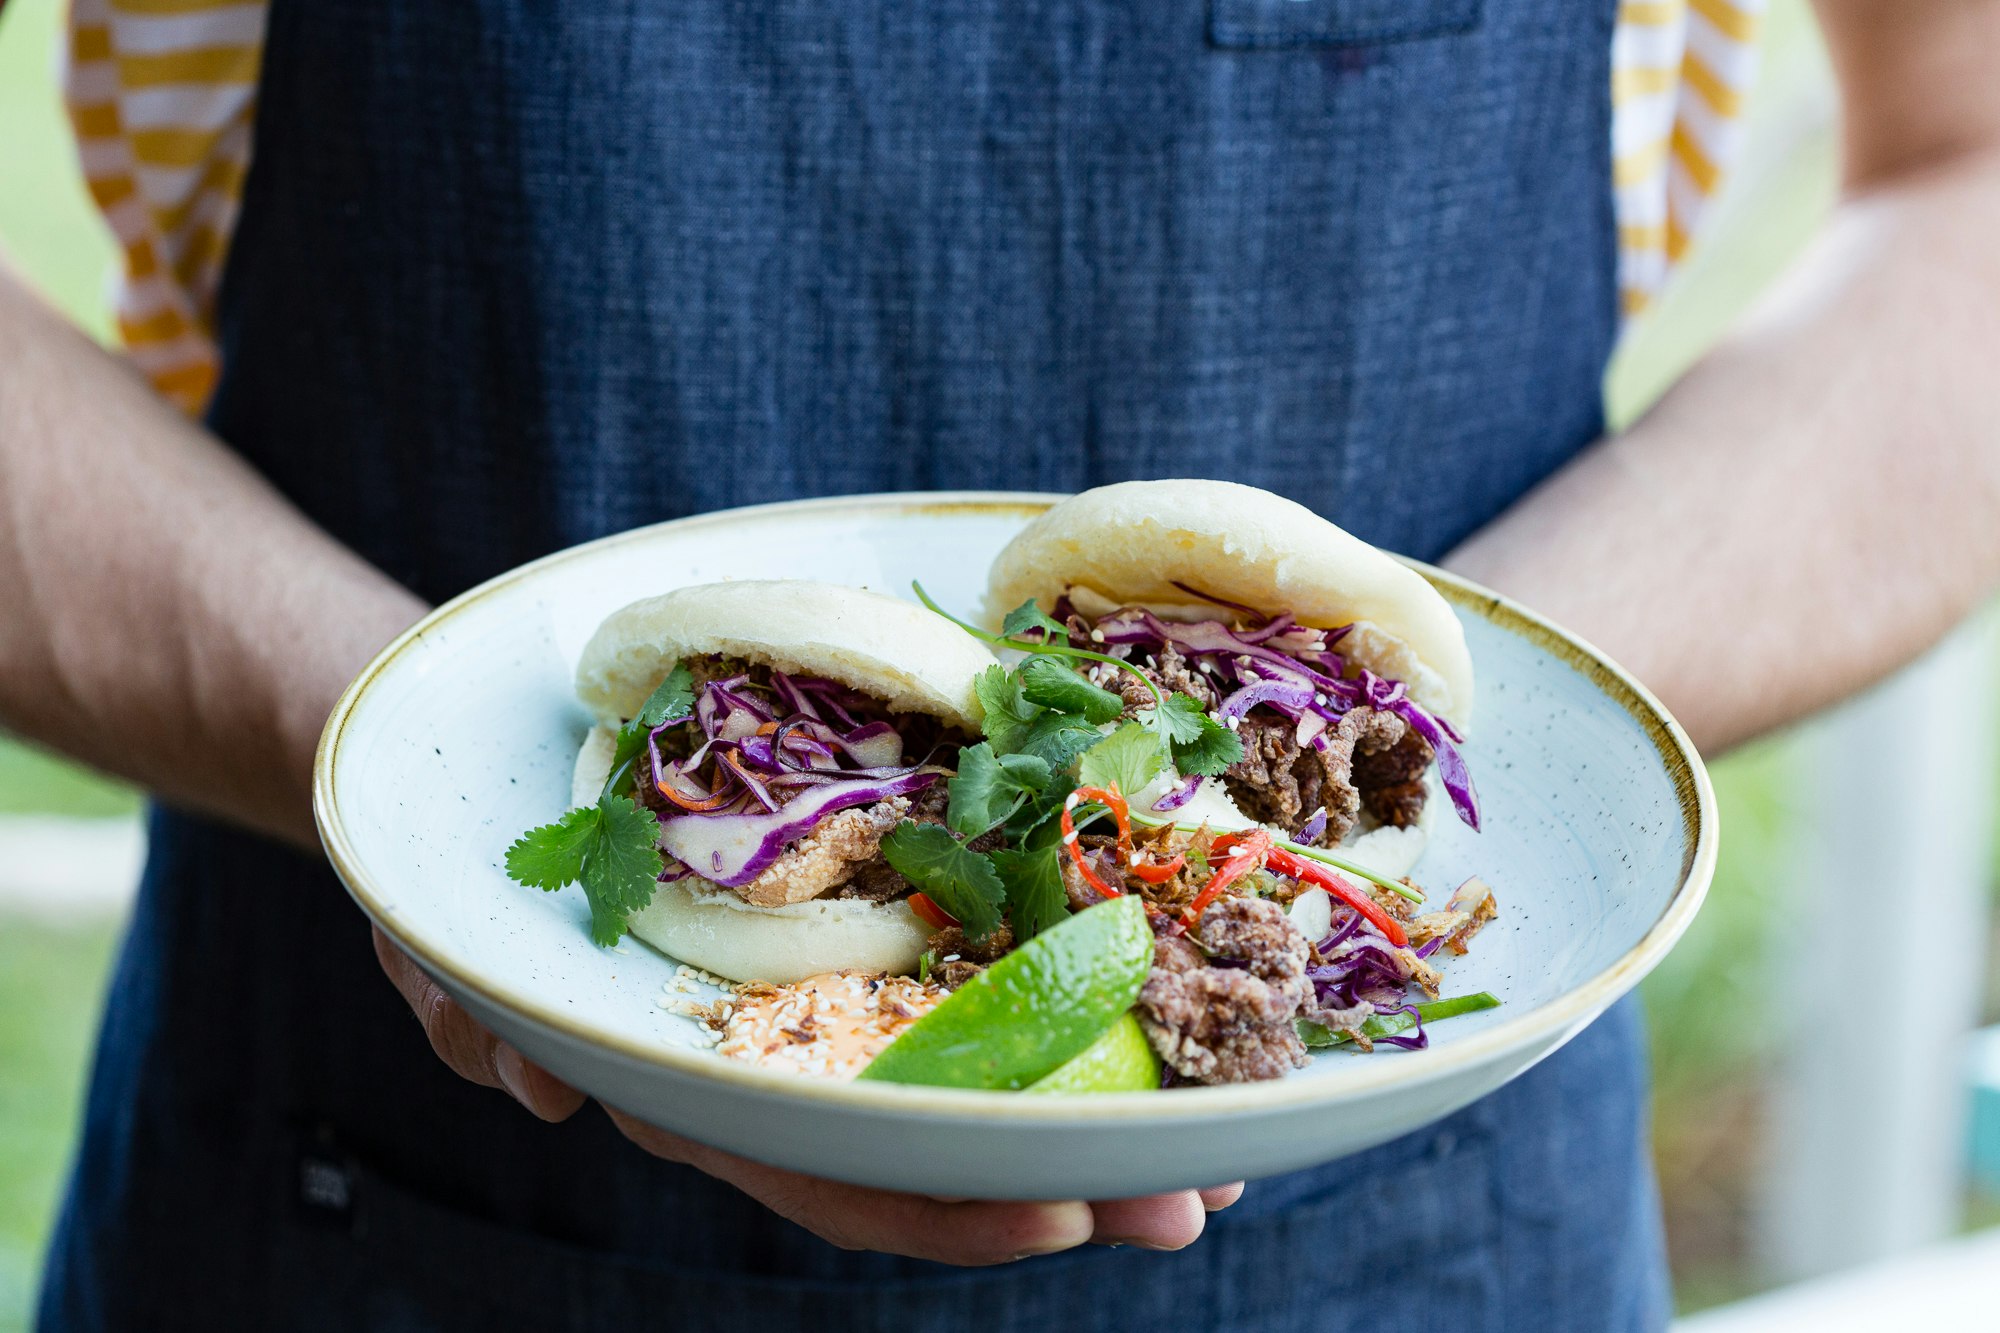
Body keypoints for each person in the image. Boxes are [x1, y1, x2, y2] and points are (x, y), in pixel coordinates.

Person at [5, 0, 1997, 1327]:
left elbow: (1966, 177)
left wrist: (1434, 754)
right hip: (378, 1187)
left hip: (1417, 1218)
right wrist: (392, 764)